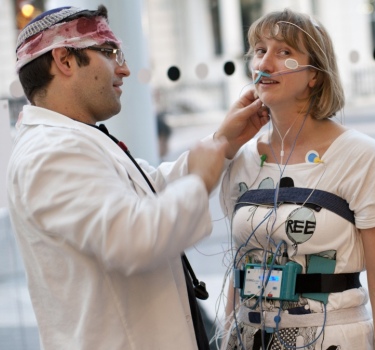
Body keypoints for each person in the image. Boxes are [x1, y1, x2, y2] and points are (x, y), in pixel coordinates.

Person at [7, 5, 268, 350]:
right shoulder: (50, 153)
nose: (125, 69)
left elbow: (152, 188)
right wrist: (199, 181)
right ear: (64, 60)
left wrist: (223, 142)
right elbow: (134, 238)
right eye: (110, 52)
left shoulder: (75, 140)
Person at [219, 9, 375, 350]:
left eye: (285, 52)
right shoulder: (243, 157)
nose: (266, 62)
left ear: (315, 75)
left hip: (334, 339)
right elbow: (240, 265)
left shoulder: (360, 156)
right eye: (260, 50)